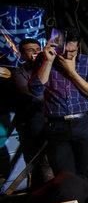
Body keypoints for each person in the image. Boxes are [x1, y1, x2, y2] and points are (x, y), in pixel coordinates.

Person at [28, 27, 88, 182]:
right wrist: (48, 62)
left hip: (83, 123)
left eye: (72, 51)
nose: (68, 55)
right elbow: (35, 89)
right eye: (64, 51)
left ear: (78, 47)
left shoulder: (87, 62)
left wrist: (72, 72)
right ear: (57, 47)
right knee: (65, 177)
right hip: (57, 126)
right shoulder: (45, 60)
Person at [10, 38, 53, 187]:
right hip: (33, 126)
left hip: (52, 122)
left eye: (37, 49)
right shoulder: (18, 73)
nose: (35, 52)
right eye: (30, 50)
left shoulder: (50, 69)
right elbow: (32, 93)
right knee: (40, 164)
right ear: (22, 55)